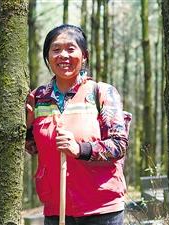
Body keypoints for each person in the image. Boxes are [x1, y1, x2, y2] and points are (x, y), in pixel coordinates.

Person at [26, 24, 131, 225]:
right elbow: (34, 148)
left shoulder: (101, 93)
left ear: (84, 55)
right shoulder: (38, 98)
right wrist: (28, 127)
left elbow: (119, 145)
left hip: (102, 209)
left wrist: (80, 149)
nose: (63, 55)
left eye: (70, 49)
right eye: (56, 49)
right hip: (56, 209)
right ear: (47, 57)